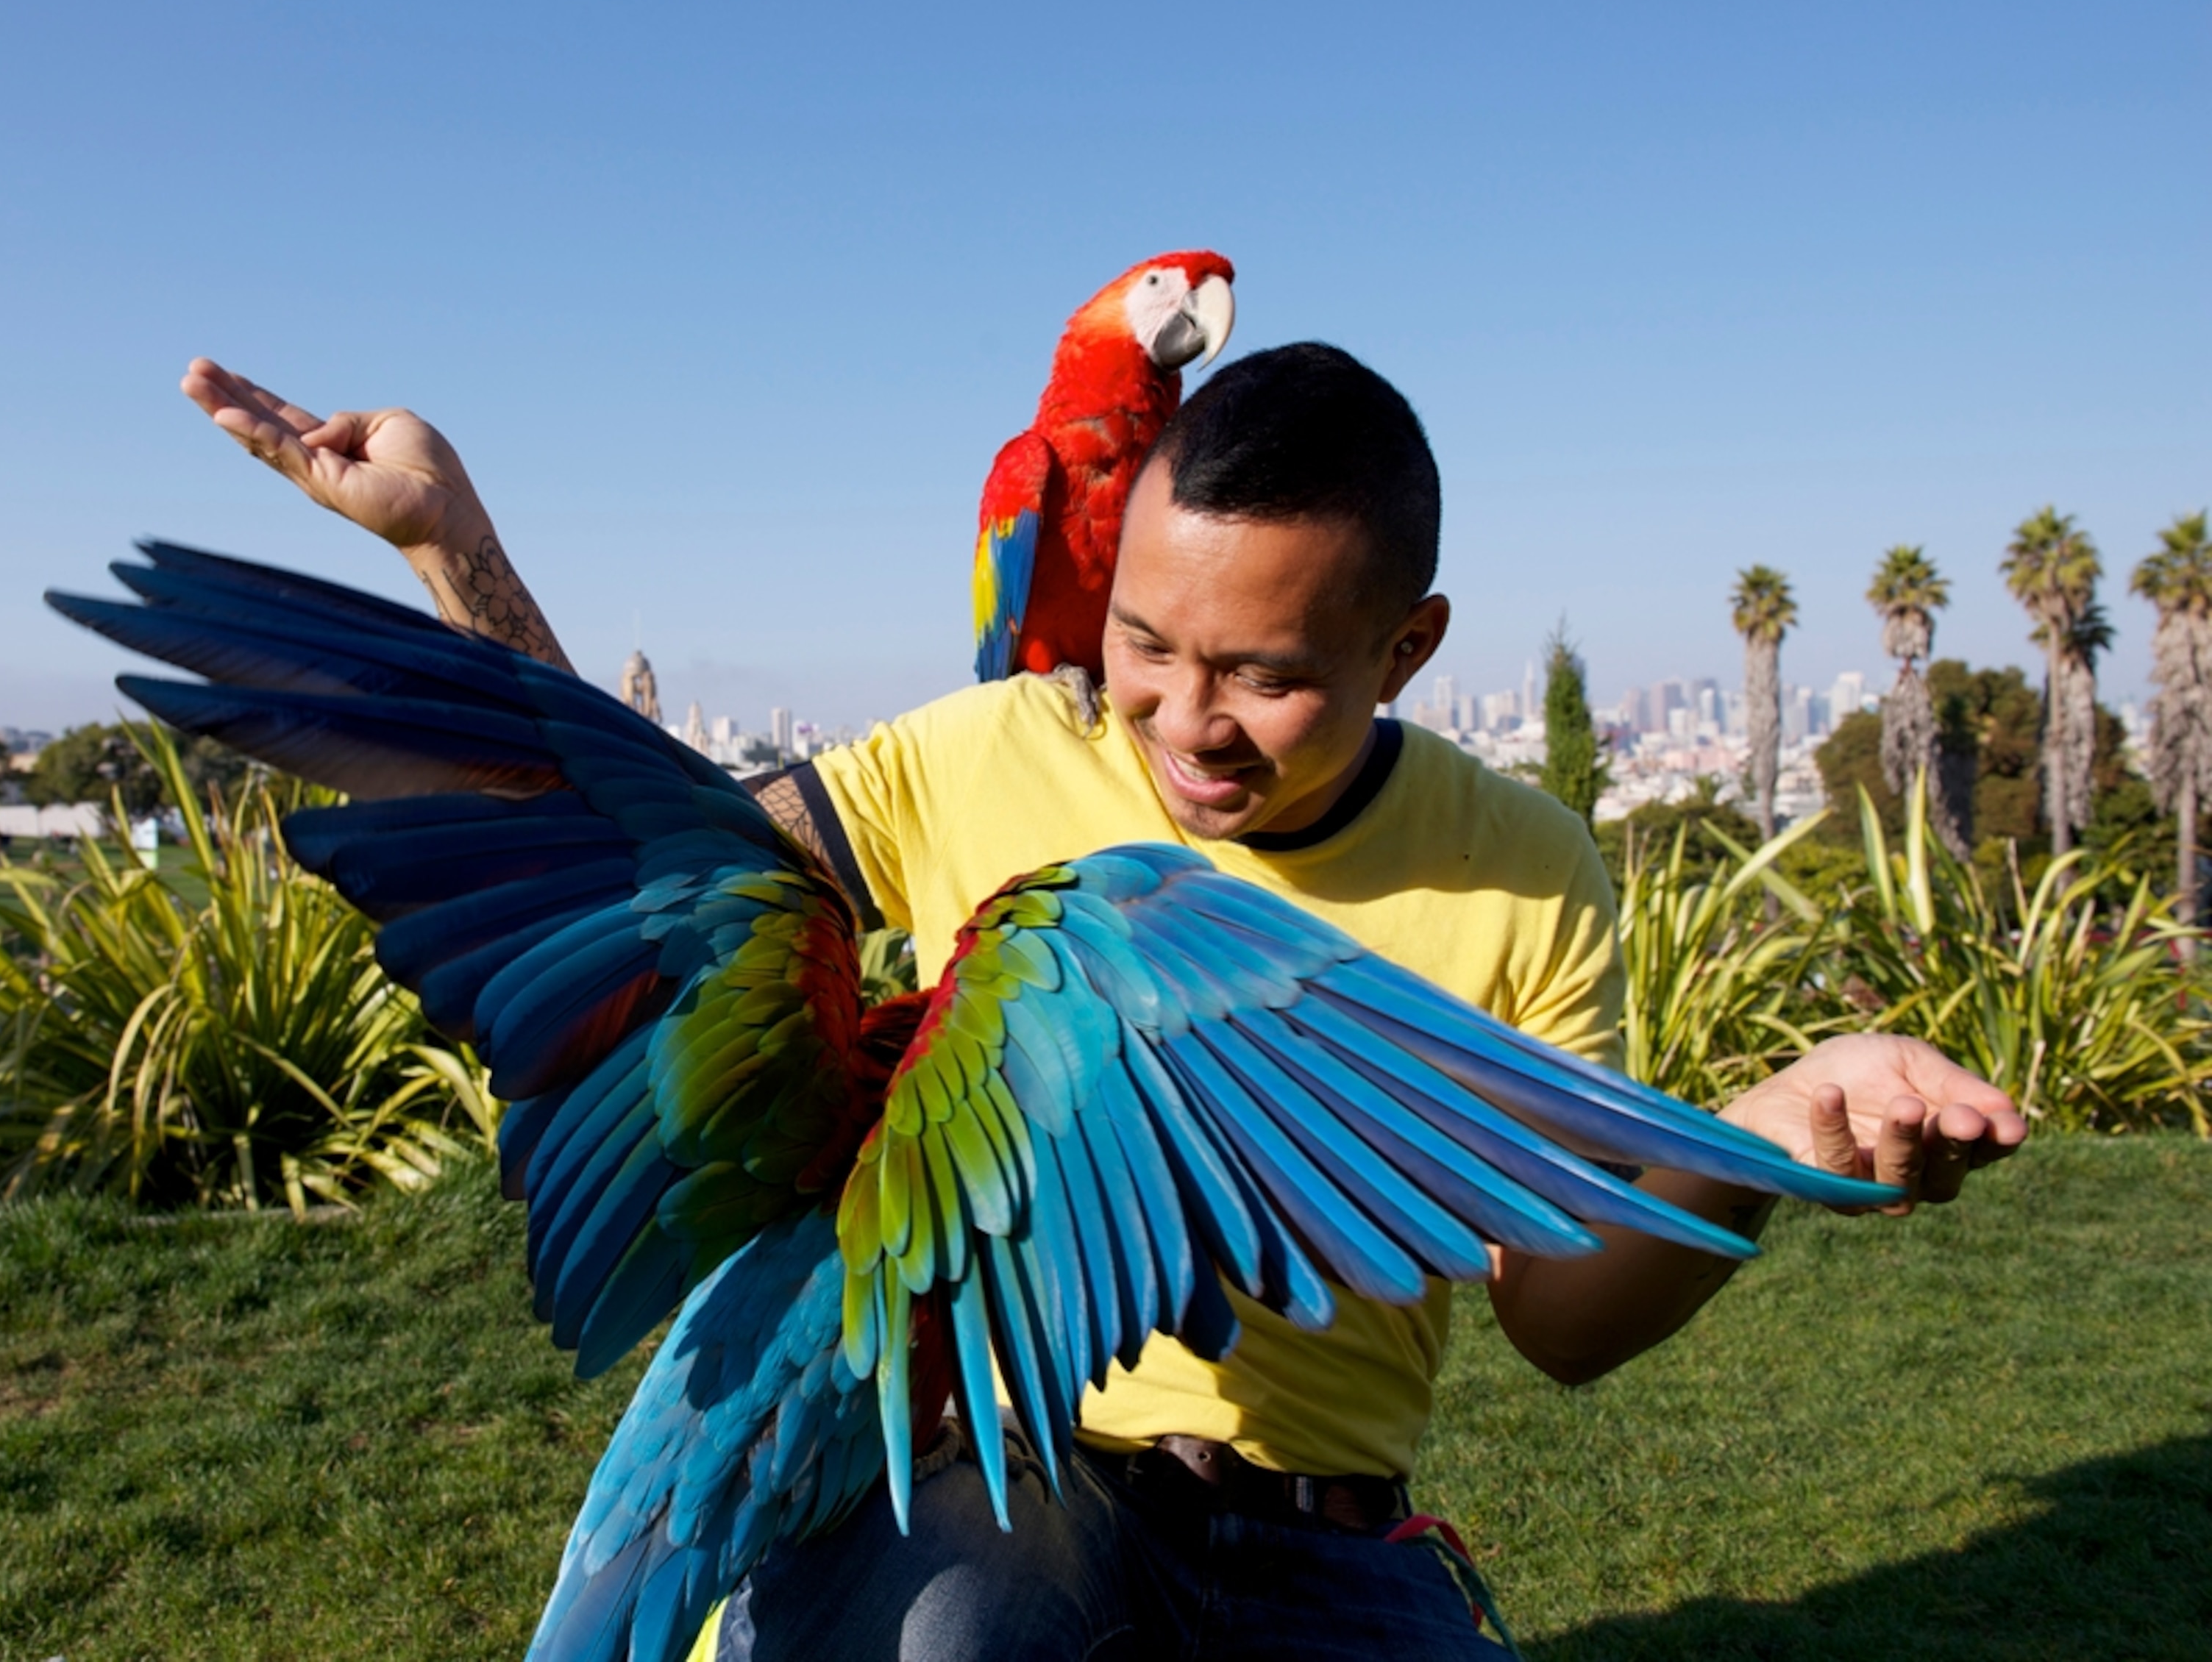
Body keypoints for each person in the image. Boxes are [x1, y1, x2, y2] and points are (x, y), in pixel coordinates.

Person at [181, 346, 2026, 1659]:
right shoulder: (997, 762)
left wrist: (1752, 1144)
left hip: (1318, 1533)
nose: (1183, 719)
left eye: (1268, 675)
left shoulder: (1528, 863)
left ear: (1410, 647)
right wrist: (451, 546)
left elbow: (1558, 1319)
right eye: (1143, 643)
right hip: (984, 1462)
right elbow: (664, 879)